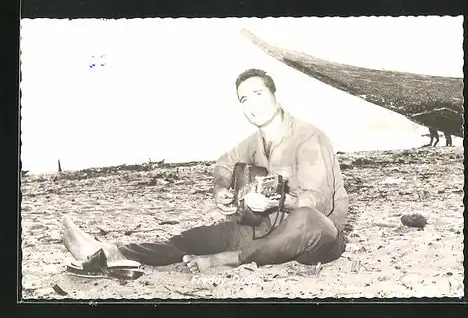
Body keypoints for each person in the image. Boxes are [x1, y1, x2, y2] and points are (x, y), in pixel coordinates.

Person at [62, 68, 349, 273]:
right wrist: (221, 189)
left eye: (258, 93)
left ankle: (229, 259)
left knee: (306, 219)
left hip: (319, 242)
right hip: (263, 230)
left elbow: (319, 203)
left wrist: (277, 201)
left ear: (276, 96)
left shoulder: (308, 138)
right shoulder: (253, 143)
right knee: (194, 238)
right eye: (244, 99)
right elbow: (224, 164)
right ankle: (112, 252)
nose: (252, 105)